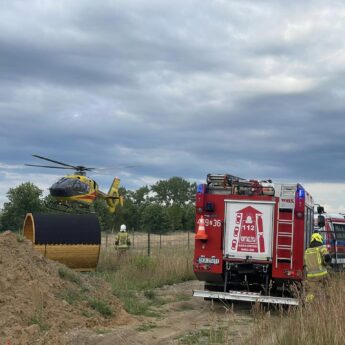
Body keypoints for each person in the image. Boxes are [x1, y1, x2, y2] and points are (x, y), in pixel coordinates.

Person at [304, 232, 331, 302]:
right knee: (328, 287)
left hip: (311, 276)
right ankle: (328, 302)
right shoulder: (321, 248)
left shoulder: (307, 251)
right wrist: (326, 263)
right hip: (322, 274)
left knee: (311, 292)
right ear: (319, 239)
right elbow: (327, 258)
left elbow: (304, 264)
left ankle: (307, 304)